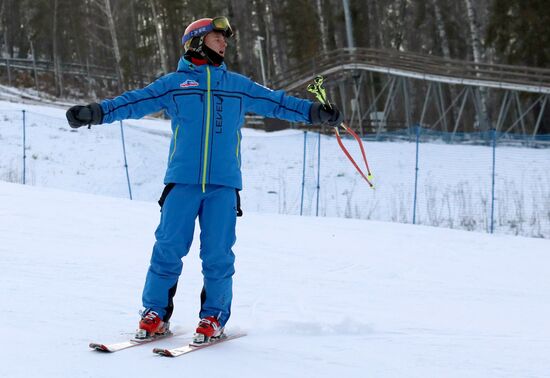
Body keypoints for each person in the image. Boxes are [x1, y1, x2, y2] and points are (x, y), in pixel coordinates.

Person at [66, 16, 343, 344]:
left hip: (223, 186)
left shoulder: (237, 85)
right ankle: (155, 314)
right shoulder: (174, 84)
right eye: (217, 38)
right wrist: (96, 112)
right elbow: (134, 101)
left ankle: (213, 317)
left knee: (218, 255)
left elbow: (278, 102)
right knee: (168, 248)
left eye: (225, 39)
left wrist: (314, 112)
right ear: (197, 41)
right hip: (182, 182)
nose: (224, 44)